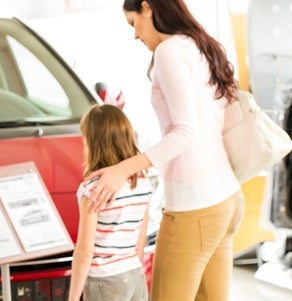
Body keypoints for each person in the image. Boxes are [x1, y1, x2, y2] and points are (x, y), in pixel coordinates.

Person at [87, 0, 243, 299]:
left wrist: (123, 169)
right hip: (226, 197)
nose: (135, 36)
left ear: (147, 7)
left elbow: (185, 133)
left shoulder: (169, 51)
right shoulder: (200, 45)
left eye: (133, 23)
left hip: (194, 207)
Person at [68, 105, 153, 301]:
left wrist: (73, 297)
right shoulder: (141, 181)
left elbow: (84, 251)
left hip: (105, 281)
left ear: (94, 144)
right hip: (134, 274)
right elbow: (140, 238)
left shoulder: (93, 190)